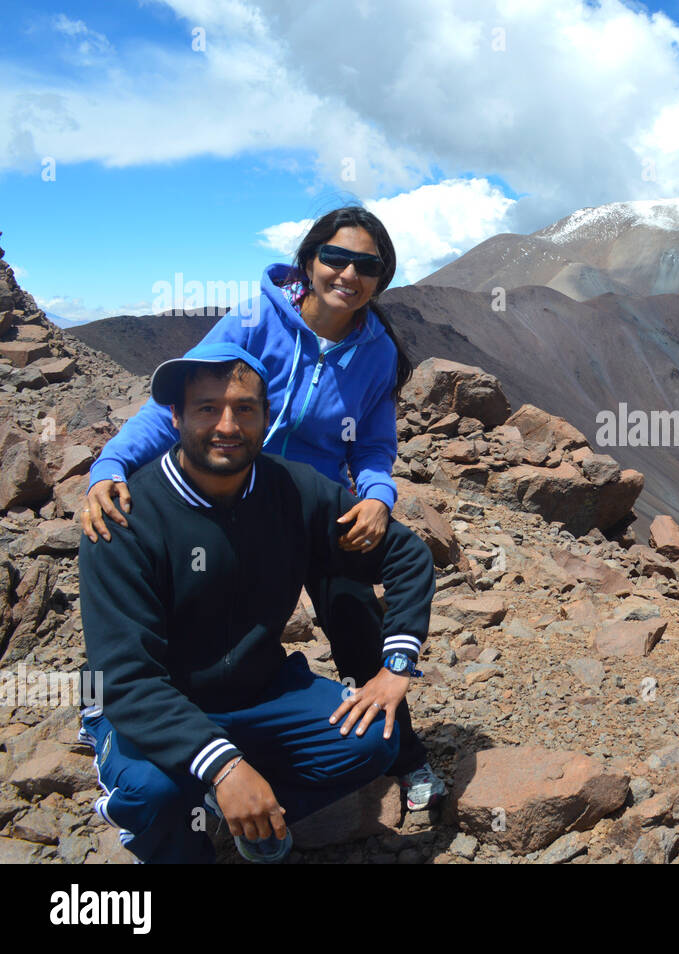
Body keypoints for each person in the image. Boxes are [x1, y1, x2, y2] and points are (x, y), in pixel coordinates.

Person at [79, 206, 443, 811]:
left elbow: (375, 444)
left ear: (382, 278)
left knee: (356, 624)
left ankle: (399, 752)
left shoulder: (377, 353)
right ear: (308, 260)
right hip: (224, 489)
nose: (348, 273)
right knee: (198, 616)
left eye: (368, 265)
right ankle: (150, 730)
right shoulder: (255, 318)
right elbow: (183, 397)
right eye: (335, 257)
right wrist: (111, 465)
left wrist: (377, 498)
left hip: (309, 505)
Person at [78, 344, 437, 863]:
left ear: (266, 419)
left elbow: (403, 554)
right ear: (175, 417)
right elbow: (128, 676)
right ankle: (169, 812)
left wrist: (396, 666)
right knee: (154, 794)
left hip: (258, 689)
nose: (227, 425)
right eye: (207, 408)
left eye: (245, 409)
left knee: (371, 742)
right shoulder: (125, 517)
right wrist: (225, 766)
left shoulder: (292, 489)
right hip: (156, 702)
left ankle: (240, 809)